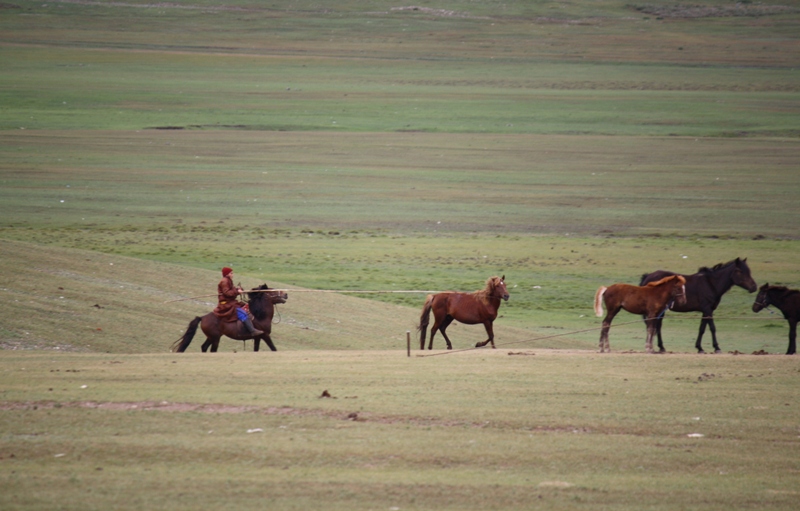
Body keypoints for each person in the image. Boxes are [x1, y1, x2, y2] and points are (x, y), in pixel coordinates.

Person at [213, 267, 263, 337]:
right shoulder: (224, 281)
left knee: (245, 307)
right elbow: (227, 293)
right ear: (227, 274)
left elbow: (232, 289)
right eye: (231, 273)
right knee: (242, 313)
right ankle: (252, 331)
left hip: (231, 302)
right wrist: (237, 291)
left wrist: (238, 289)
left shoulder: (228, 280)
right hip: (226, 303)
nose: (232, 274)